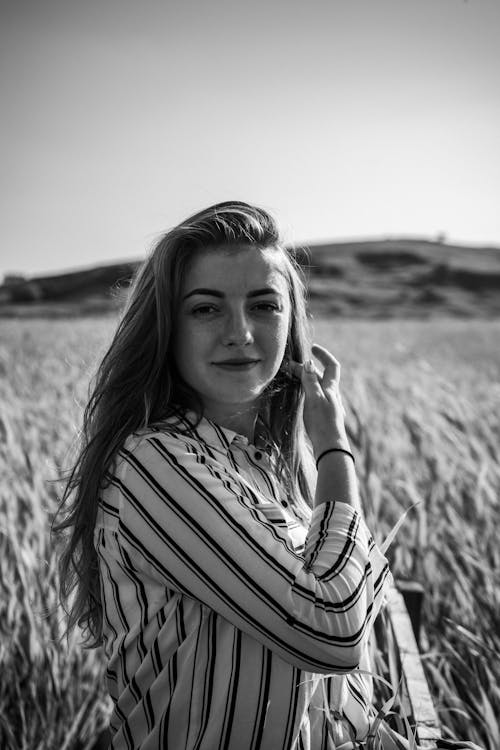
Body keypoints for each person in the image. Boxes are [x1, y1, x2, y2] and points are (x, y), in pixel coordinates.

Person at [54, 202, 480, 750]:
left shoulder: (268, 466)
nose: (241, 333)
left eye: (264, 305)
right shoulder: (154, 465)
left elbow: (328, 697)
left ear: (290, 320)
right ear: (166, 325)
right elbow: (334, 631)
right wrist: (334, 448)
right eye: (206, 309)